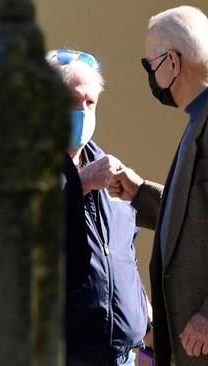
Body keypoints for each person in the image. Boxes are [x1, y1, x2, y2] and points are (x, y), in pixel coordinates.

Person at [108, 6, 208, 366]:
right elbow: (206, 213)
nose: (151, 74)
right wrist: (140, 194)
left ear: (172, 63)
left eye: (151, 64)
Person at [47, 49, 150, 366]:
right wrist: (80, 184)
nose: (82, 112)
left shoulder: (108, 171)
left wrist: (146, 320)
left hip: (122, 357)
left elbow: (123, 256)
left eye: (90, 103)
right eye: (71, 102)